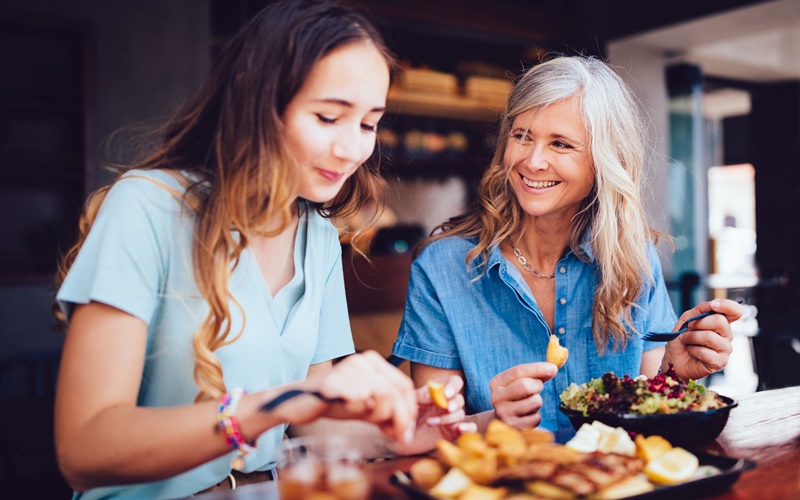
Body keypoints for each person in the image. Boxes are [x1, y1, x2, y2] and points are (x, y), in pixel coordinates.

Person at [53, 1, 472, 498]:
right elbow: (84, 450)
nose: (352, 149)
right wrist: (287, 400)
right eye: (328, 116)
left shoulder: (316, 235)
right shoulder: (146, 207)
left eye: (367, 124)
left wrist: (401, 434)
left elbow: (311, 426)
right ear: (257, 97)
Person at [391, 55, 744, 433]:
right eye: (522, 135)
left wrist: (673, 374)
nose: (533, 161)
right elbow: (429, 431)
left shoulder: (634, 261)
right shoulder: (441, 268)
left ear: (604, 161)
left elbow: (648, 417)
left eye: (560, 144)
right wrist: (494, 422)